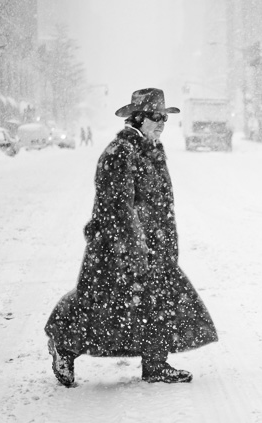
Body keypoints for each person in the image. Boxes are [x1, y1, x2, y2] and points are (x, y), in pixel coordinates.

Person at [44, 88, 218, 387]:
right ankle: (64, 345)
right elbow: (117, 207)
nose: (161, 123)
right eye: (155, 117)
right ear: (138, 118)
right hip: (119, 248)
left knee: (157, 303)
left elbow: (159, 204)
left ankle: (155, 364)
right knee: (101, 306)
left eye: (164, 117)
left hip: (152, 246)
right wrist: (134, 248)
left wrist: (162, 243)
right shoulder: (120, 152)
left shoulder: (150, 150)